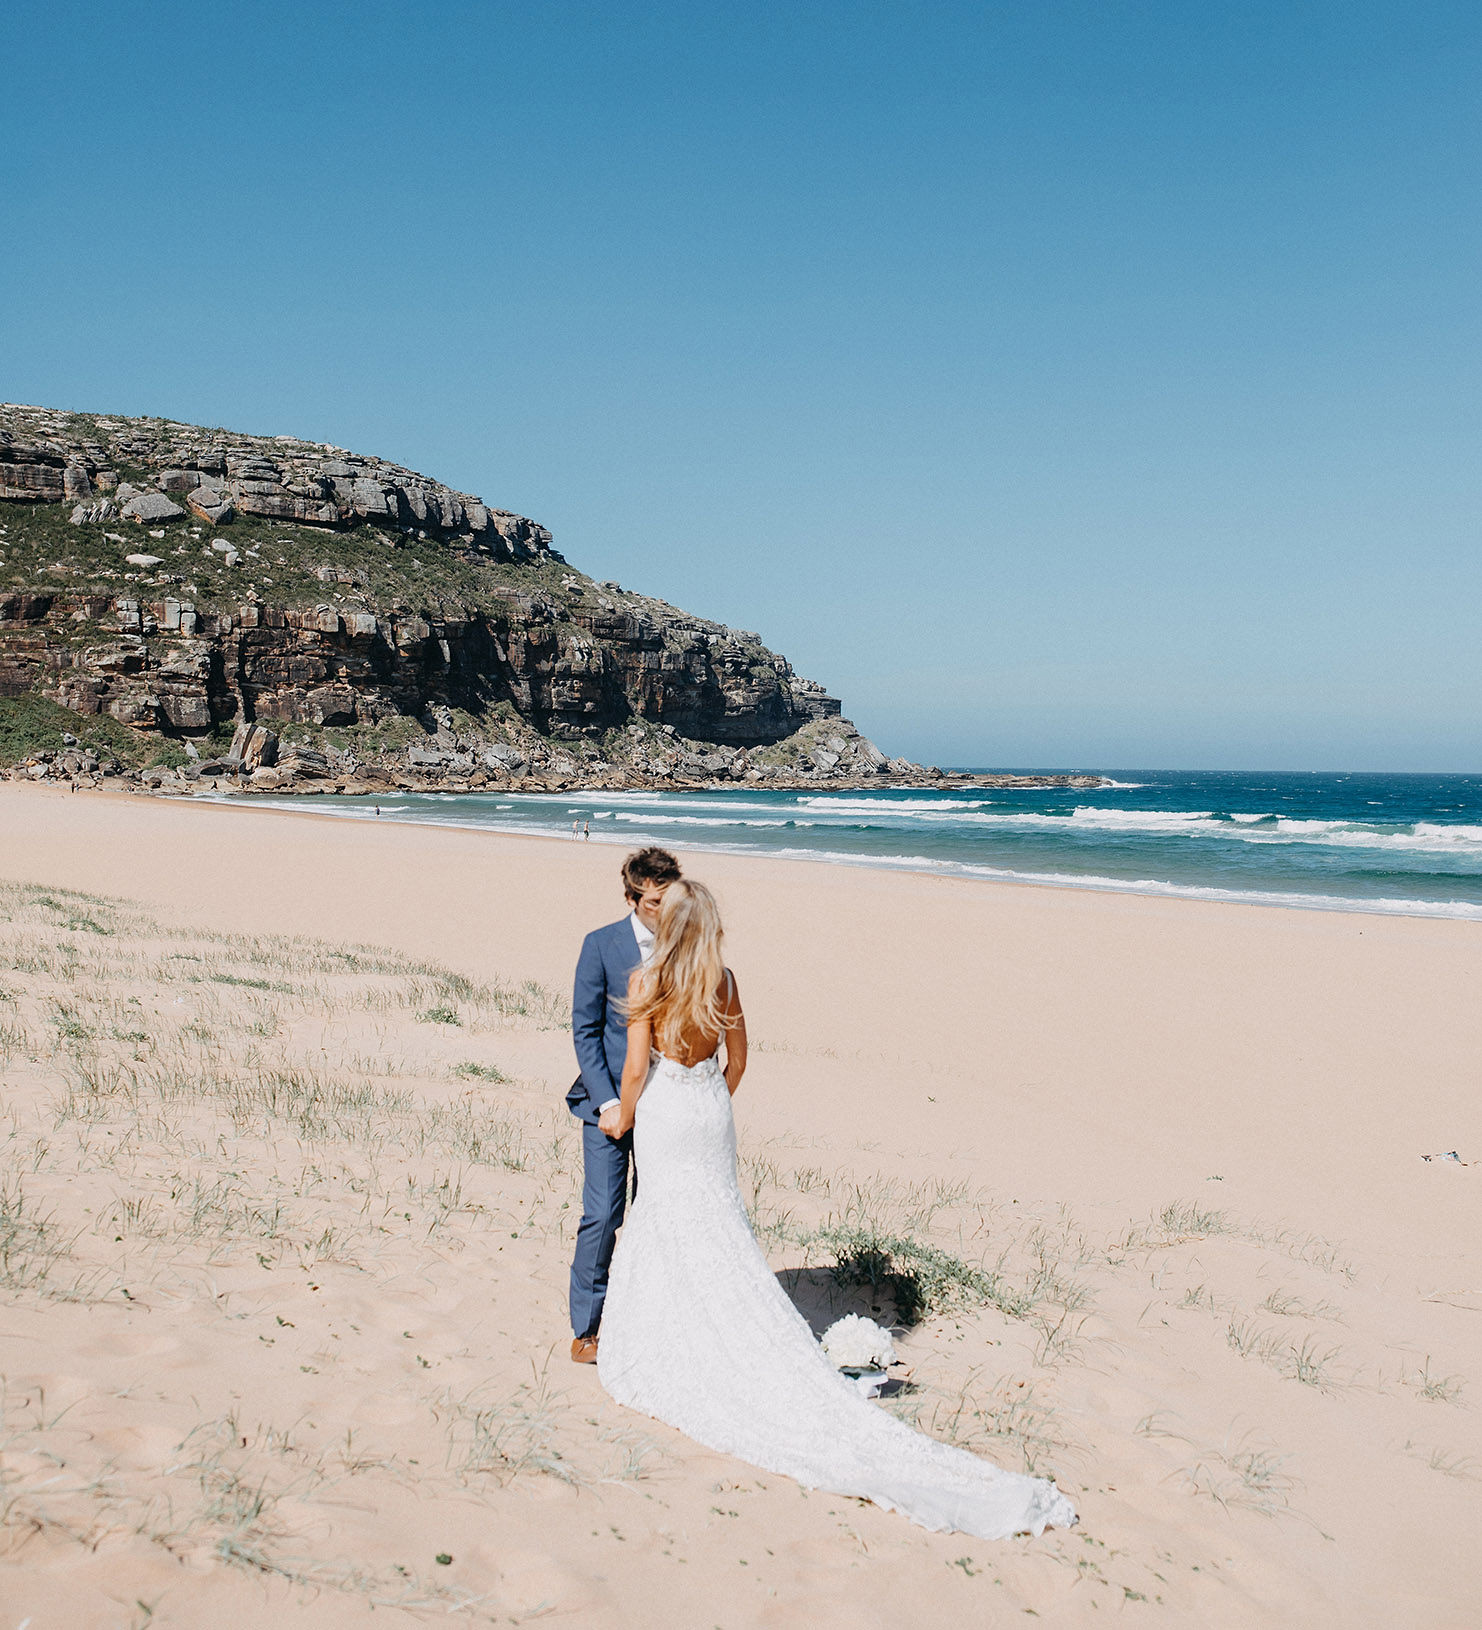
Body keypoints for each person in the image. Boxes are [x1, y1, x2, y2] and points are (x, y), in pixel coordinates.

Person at [594, 879, 1078, 1541]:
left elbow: (629, 1076)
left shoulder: (648, 982)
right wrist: (709, 1097)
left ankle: (671, 1329)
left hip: (667, 1113)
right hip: (708, 1114)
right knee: (718, 1225)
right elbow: (737, 1063)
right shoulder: (725, 982)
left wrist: (628, 1113)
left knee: (668, 1219)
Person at [566, 846, 683, 1362]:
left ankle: (645, 1315)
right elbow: (585, 1031)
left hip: (668, 1106)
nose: (665, 908)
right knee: (602, 1213)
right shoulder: (601, 945)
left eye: (671, 897)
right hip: (609, 1103)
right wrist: (610, 1102)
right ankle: (587, 1329)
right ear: (633, 898)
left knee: (656, 1213)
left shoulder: (687, 944)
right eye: (656, 901)